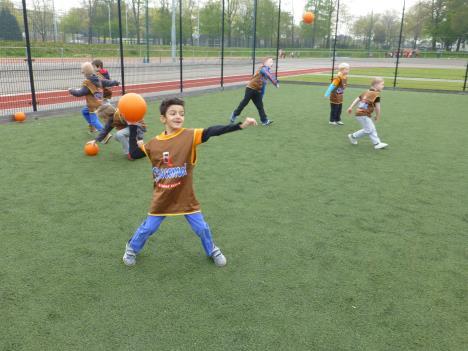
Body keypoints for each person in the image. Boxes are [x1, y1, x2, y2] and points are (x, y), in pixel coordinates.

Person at [122, 97, 258, 267]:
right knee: (148, 228)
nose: (178, 116)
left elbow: (212, 131)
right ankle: (131, 248)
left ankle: (212, 250)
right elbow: (134, 154)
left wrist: (240, 125)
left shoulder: (189, 136)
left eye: (181, 113)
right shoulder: (154, 144)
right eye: (173, 113)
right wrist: (133, 125)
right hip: (163, 197)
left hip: (185, 196)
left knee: (201, 228)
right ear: (163, 118)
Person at [68, 62, 119, 133]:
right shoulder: (97, 78)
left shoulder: (88, 83)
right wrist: (115, 82)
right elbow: (106, 82)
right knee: (84, 111)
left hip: (93, 104)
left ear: (84, 72)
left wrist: (71, 90)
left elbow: (80, 93)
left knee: (94, 120)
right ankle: (93, 126)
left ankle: (105, 134)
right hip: (99, 101)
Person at [230, 57, 279, 126]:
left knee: (260, 106)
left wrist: (261, 95)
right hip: (250, 88)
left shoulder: (267, 72)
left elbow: (264, 85)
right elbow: (268, 74)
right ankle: (234, 114)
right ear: (264, 63)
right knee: (244, 102)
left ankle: (264, 121)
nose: (272, 63)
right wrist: (275, 82)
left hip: (257, 91)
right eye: (270, 61)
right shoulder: (263, 68)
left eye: (272, 62)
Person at [346, 77, 388, 150]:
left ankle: (377, 143)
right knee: (368, 130)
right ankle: (353, 136)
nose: (383, 86)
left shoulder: (366, 91)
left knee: (372, 128)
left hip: (361, 113)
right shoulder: (376, 95)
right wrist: (377, 116)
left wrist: (351, 107)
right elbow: (377, 107)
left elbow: (358, 99)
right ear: (376, 85)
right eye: (382, 84)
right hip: (363, 114)